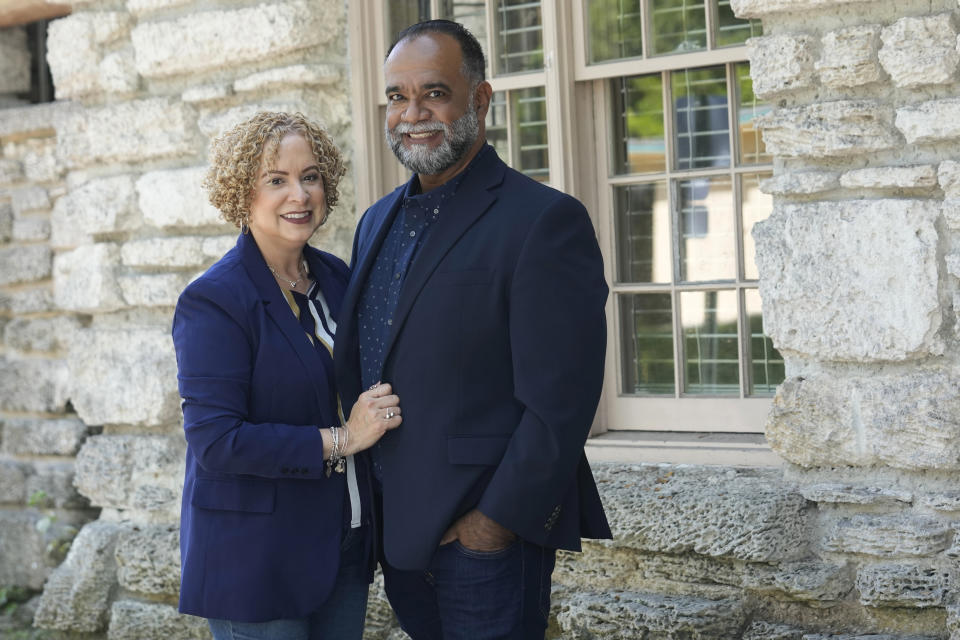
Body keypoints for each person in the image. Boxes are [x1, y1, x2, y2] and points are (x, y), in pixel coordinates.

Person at [333, 20, 611, 640]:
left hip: (483, 550)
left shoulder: (543, 221)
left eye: (434, 92)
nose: (412, 114)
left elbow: (560, 406)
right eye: (397, 97)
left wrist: (493, 526)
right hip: (396, 541)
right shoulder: (375, 221)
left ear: (480, 100)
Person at [172, 111, 402, 640]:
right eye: (275, 180)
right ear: (241, 193)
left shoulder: (336, 277)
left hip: (342, 539)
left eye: (311, 176)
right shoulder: (215, 300)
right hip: (255, 556)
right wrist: (345, 439)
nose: (299, 194)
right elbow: (217, 441)